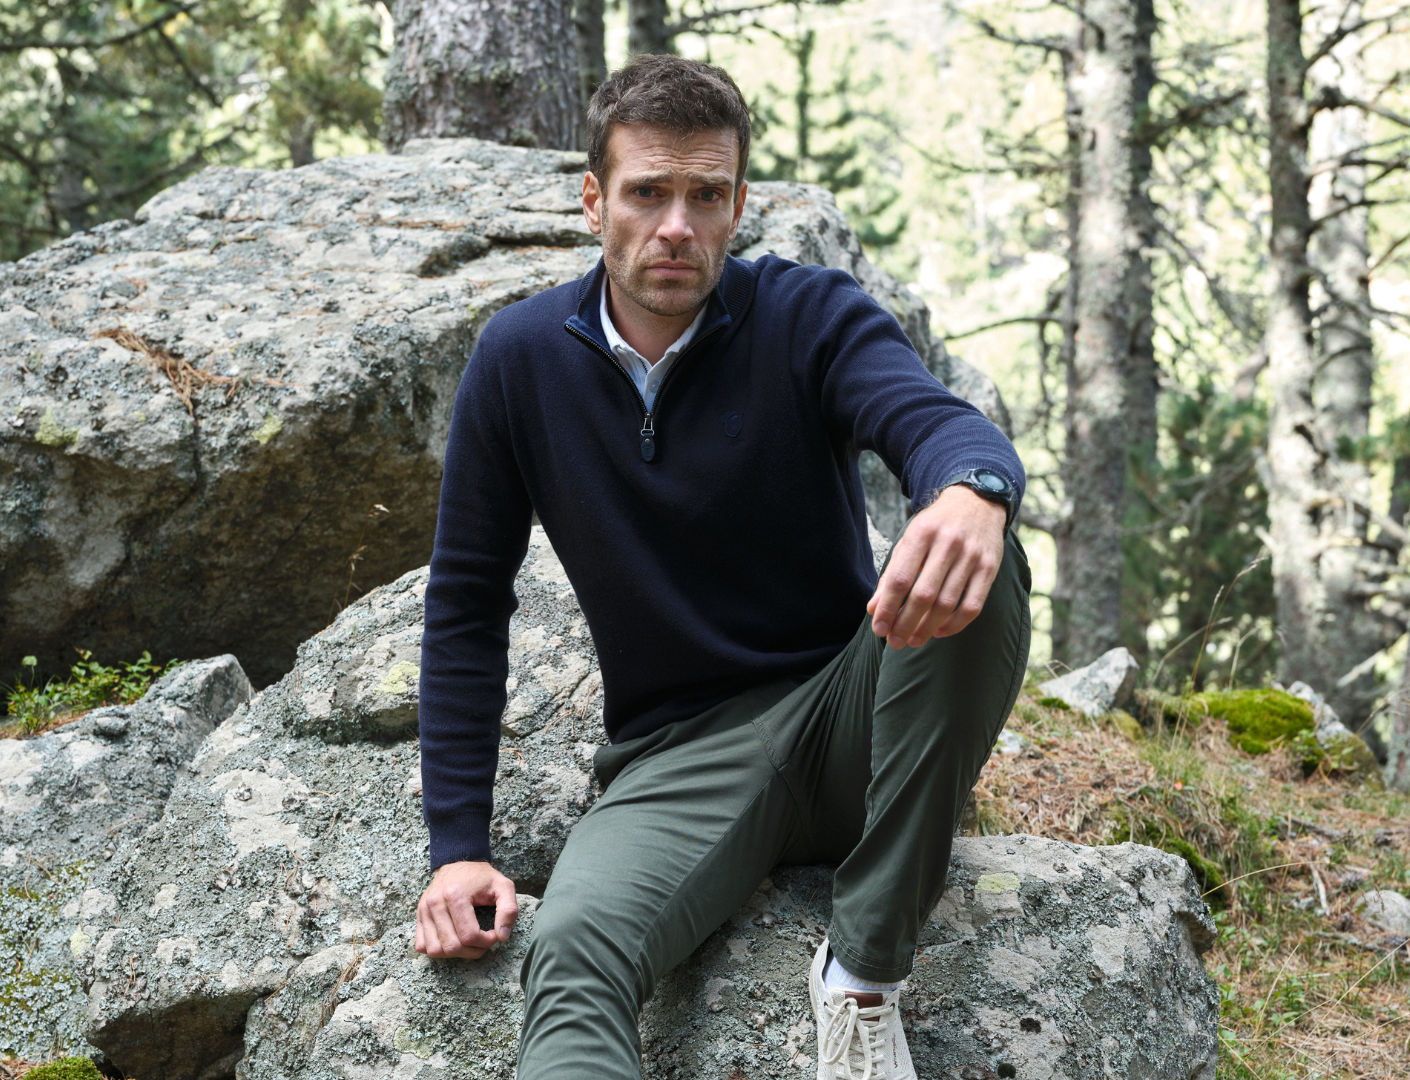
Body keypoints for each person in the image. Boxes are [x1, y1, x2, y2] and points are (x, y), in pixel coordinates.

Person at [409, 54, 1031, 1080]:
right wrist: (458, 847)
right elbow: (468, 604)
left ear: (739, 206)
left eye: (706, 196)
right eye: (647, 193)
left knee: (982, 553)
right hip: (677, 759)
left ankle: (861, 980)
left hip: (851, 718)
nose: (676, 227)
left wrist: (974, 489)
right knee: (572, 951)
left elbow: (933, 422)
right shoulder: (519, 360)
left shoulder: (808, 316)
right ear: (594, 200)